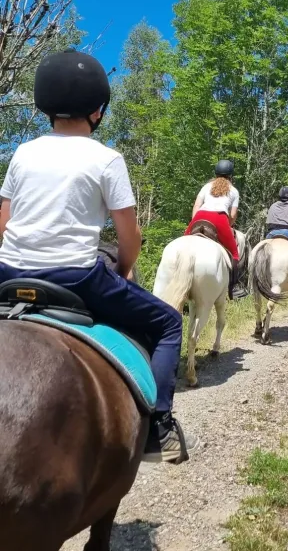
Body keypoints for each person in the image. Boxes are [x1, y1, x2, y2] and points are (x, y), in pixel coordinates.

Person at [0, 49, 196, 463]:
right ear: (98, 111)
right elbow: (131, 237)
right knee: (167, 322)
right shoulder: (106, 159)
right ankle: (157, 429)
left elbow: (3, 222)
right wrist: (123, 273)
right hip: (75, 277)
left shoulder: (22, 153)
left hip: (9, 271)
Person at [187, 160, 247, 299]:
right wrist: (227, 225)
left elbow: (196, 206)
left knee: (184, 241)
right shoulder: (234, 191)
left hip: (200, 216)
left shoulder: (206, 186)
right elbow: (232, 215)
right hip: (219, 218)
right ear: (231, 176)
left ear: (216, 173)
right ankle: (234, 288)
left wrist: (195, 221)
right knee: (235, 254)